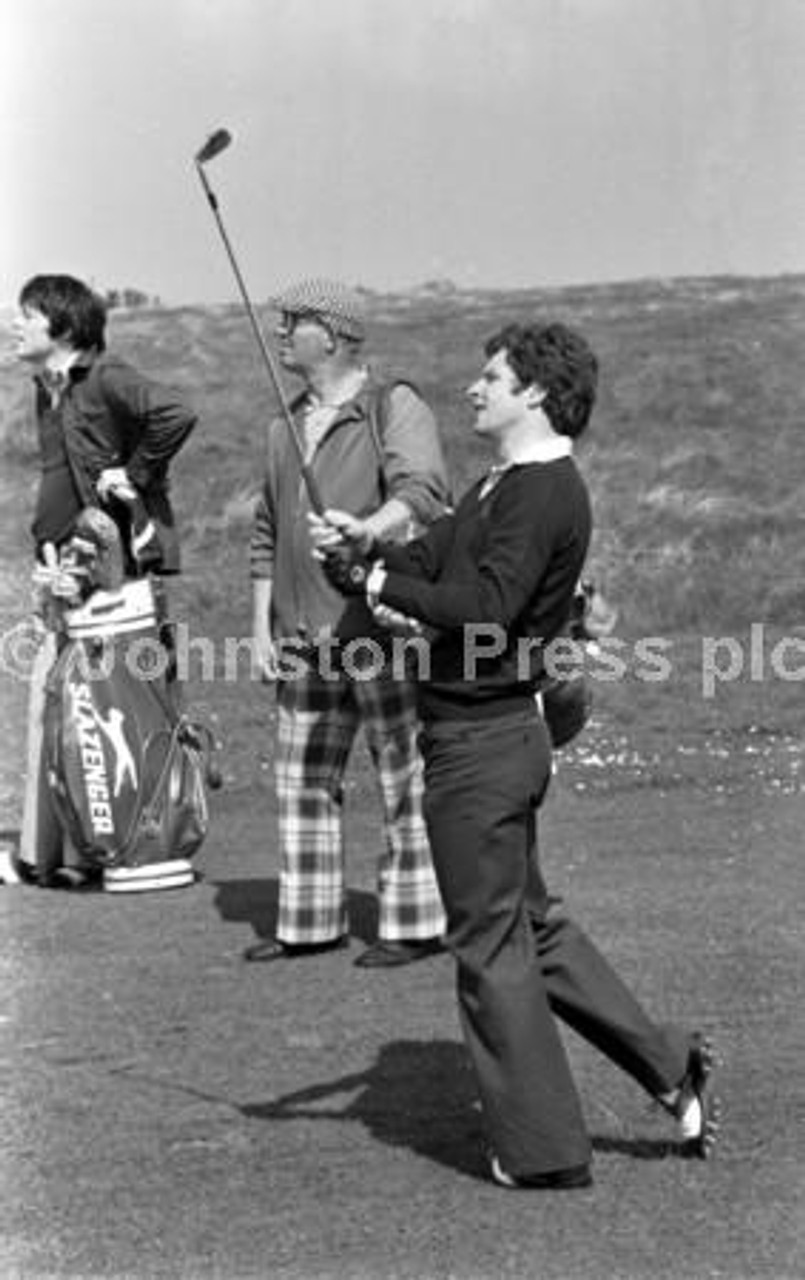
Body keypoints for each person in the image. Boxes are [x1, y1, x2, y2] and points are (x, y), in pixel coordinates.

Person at [310, 321, 720, 1186]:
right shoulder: (502, 487)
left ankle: (541, 1155)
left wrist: (384, 586)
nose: (473, 387)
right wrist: (366, 551)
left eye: (490, 376)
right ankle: (669, 1065)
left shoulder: (543, 493)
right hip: (488, 739)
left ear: (534, 392)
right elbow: (434, 558)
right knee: (530, 928)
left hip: (482, 744)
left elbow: (487, 604)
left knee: (488, 945)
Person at [246, 279, 450, 968]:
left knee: (404, 776)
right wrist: (260, 627)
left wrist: (367, 531)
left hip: (382, 629)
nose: (279, 333)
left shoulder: (392, 403)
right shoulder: (282, 424)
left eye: (291, 321)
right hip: (304, 635)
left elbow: (422, 492)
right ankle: (308, 923)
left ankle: (415, 923)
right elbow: (266, 533)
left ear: (329, 334)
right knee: (301, 781)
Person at [12, 272, 197, 886]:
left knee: (119, 705)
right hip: (70, 565)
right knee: (68, 703)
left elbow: (176, 412)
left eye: (26, 316)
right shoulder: (49, 389)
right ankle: (69, 853)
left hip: (119, 569)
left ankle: (133, 841)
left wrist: (134, 472)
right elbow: (58, 474)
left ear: (61, 328)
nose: (14, 324)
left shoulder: (108, 377)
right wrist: (47, 546)